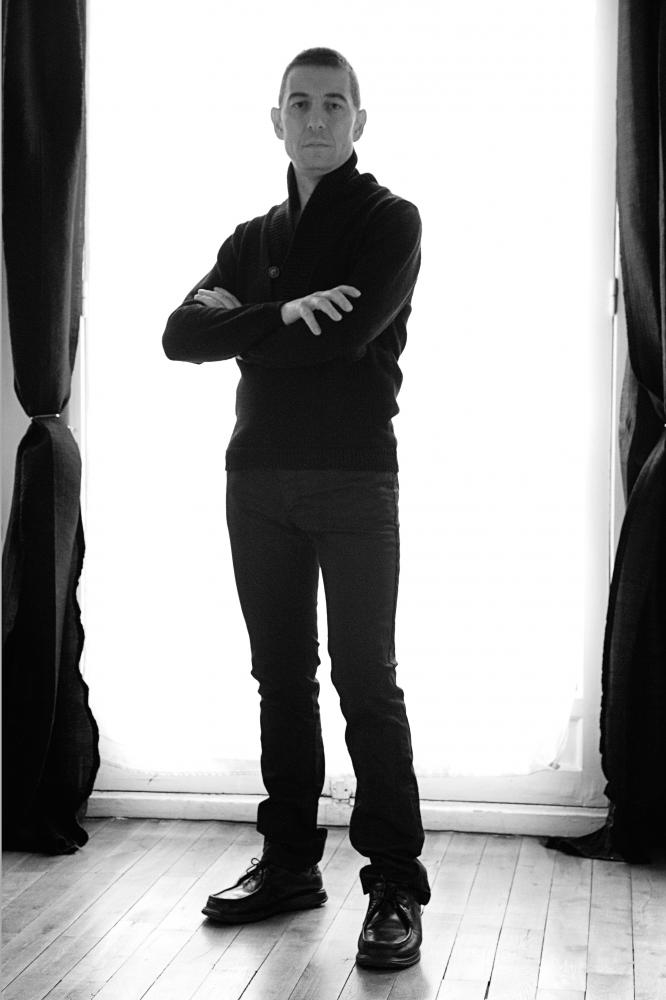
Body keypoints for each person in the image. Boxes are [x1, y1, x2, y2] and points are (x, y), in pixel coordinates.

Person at [162, 46, 430, 971]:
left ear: (360, 120)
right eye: (300, 104)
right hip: (257, 480)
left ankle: (393, 884)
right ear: (276, 120)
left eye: (334, 105)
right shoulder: (251, 238)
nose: (317, 120)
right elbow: (179, 336)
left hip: (356, 479)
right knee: (280, 678)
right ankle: (288, 866)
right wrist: (281, 313)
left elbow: (347, 336)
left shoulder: (390, 220)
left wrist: (244, 325)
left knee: (366, 681)